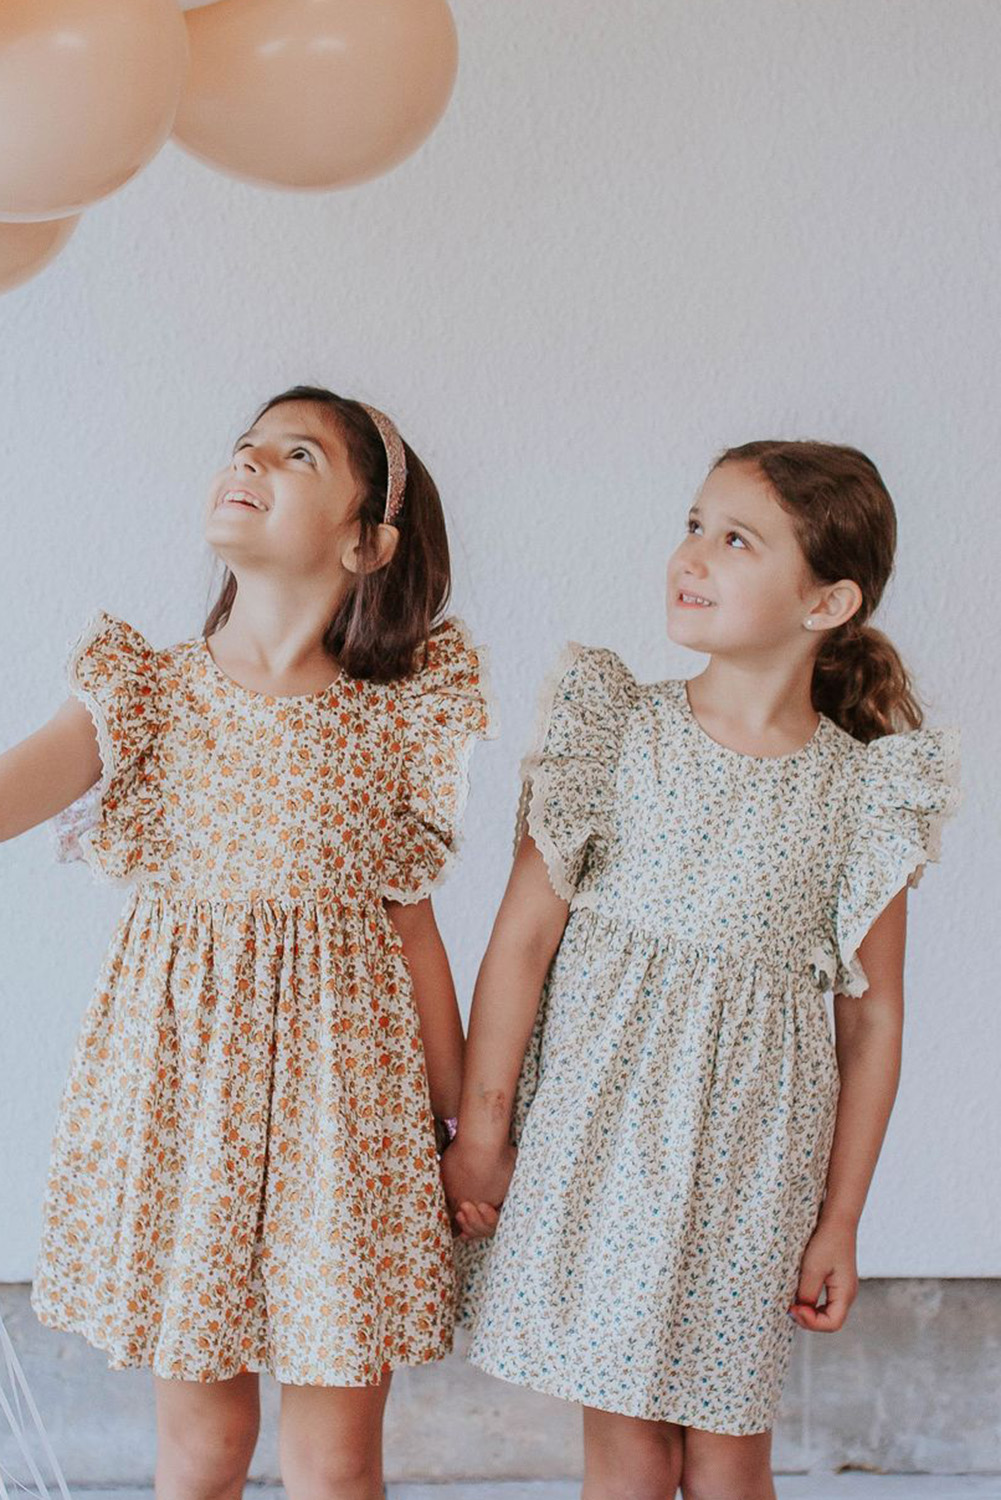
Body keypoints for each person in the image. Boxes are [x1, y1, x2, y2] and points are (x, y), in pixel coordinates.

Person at [0, 386, 495, 1500]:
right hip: (188, 1106)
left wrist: (464, 1124)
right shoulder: (148, 695)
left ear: (367, 540)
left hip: (345, 1118)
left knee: (332, 1460)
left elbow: (414, 935)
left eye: (298, 453)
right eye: (245, 445)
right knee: (204, 1447)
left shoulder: (397, 714)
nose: (251, 460)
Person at [444, 440, 960, 1500]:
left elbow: (872, 1021)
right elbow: (521, 943)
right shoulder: (614, 728)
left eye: (735, 539)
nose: (692, 555)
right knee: (627, 1453)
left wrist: (841, 1217)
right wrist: (484, 1130)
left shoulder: (864, 793)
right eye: (692, 524)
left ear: (826, 602)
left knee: (727, 1460)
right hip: (602, 1143)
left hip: (752, 1170)